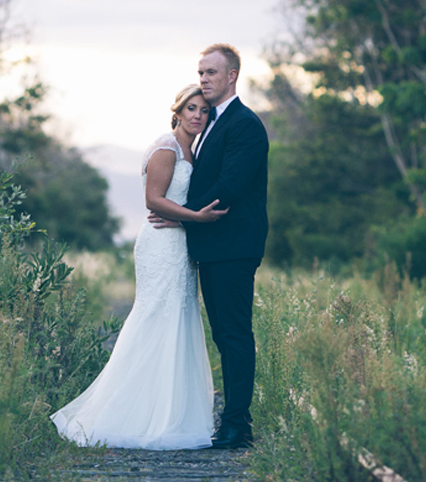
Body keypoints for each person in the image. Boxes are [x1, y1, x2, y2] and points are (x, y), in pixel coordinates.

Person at [50, 85, 227, 450]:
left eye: (205, 111)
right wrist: (195, 217)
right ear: (176, 111)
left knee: (177, 318)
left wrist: (187, 222)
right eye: (191, 109)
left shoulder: (191, 151)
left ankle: (170, 411)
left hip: (179, 242)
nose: (198, 115)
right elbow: (154, 200)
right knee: (156, 316)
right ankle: (130, 413)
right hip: (160, 245)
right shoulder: (166, 147)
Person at [150, 43, 269, 450]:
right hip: (213, 246)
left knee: (234, 335)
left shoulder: (245, 124)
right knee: (223, 335)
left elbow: (230, 187)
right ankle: (231, 420)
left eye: (211, 73)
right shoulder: (210, 124)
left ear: (232, 75)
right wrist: (185, 217)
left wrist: (181, 212)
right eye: (200, 72)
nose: (204, 79)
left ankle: (238, 426)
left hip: (234, 246)